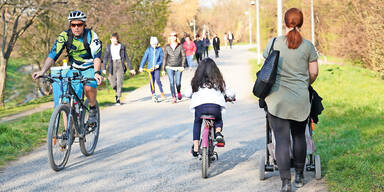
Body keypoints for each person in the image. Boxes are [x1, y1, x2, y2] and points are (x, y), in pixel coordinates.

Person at [262, 8, 318, 192]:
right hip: (300, 101)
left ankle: (286, 183)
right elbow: (313, 73)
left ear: (285, 23)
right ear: (301, 23)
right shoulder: (308, 46)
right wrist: (303, 83)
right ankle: (300, 177)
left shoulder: (273, 43)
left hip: (276, 101)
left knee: (282, 140)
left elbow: (266, 68)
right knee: (299, 136)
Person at [32, 10, 103, 124]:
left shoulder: (91, 36)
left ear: (84, 24)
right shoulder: (64, 36)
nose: (76, 27)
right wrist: (43, 71)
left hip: (90, 67)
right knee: (65, 99)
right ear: (70, 25)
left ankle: (93, 108)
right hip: (74, 68)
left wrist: (97, 73)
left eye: (79, 24)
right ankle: (67, 131)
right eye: (73, 25)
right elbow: (53, 55)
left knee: (89, 87)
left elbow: (97, 57)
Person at [185, 58, 235, 157]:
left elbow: (187, 94)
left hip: (200, 108)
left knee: (197, 122)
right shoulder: (219, 81)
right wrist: (231, 98)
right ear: (215, 70)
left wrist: (192, 95)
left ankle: (195, 147)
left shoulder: (196, 82)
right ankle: (218, 133)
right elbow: (231, 93)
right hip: (214, 107)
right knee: (218, 120)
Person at [103, 32, 136, 105]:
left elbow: (126, 57)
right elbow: (105, 57)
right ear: (110, 39)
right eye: (113, 39)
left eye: (115, 40)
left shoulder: (122, 46)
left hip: (120, 64)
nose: (114, 41)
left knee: (119, 82)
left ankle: (118, 97)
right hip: (112, 65)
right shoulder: (108, 47)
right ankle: (117, 91)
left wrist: (131, 68)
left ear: (117, 40)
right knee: (112, 83)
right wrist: (104, 68)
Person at [162, 31, 186, 103]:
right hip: (169, 67)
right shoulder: (167, 46)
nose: (173, 37)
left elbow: (183, 56)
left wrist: (182, 66)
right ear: (170, 37)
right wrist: (163, 69)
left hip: (179, 67)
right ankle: (173, 97)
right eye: (171, 36)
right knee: (171, 82)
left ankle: (178, 92)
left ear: (176, 37)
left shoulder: (180, 45)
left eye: (174, 36)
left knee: (178, 83)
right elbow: (164, 58)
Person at [139, 36, 165, 102]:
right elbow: (144, 58)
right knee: (151, 82)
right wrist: (141, 67)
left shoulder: (159, 50)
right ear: (151, 44)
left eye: (155, 44)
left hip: (156, 68)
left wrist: (158, 65)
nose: (154, 45)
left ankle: (162, 92)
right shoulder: (148, 50)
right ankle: (153, 94)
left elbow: (161, 59)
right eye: (153, 44)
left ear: (157, 43)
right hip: (150, 69)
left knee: (158, 80)